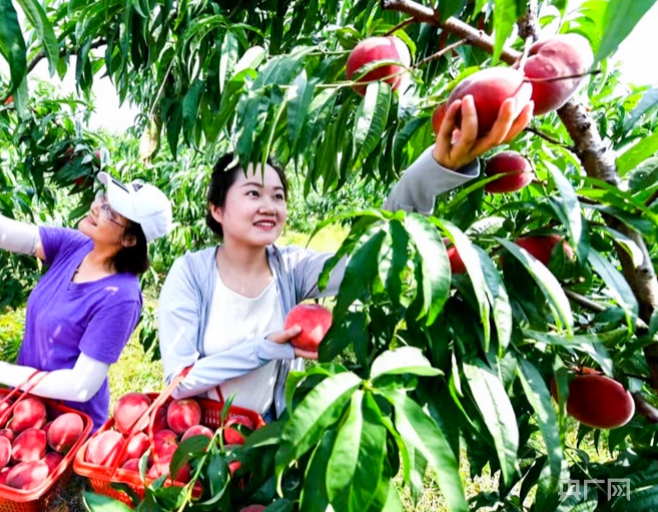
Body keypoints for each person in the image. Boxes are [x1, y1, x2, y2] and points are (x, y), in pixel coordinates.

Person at [157, 95, 534, 421]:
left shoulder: (291, 267)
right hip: (197, 439)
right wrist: (264, 348)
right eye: (253, 194)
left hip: (270, 439)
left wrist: (432, 170)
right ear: (217, 210)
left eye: (278, 196)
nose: (269, 206)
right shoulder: (191, 274)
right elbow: (179, 381)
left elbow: (367, 256)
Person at [0, 134, 173, 431]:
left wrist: (0, 372)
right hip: (26, 410)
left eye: (111, 211)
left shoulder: (121, 296)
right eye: (103, 199)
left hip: (67, 430)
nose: (97, 206)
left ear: (130, 239)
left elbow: (80, 386)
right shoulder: (75, 245)